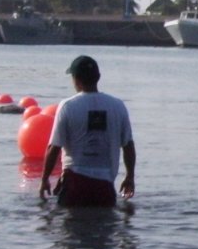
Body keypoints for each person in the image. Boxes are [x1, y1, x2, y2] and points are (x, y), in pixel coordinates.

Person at [40, 55, 135, 208]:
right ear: (98, 77)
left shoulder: (67, 106)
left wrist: (44, 179)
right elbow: (128, 145)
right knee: (104, 228)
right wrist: (130, 176)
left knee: (72, 227)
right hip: (105, 186)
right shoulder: (118, 106)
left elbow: (54, 147)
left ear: (75, 79)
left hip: (75, 182)